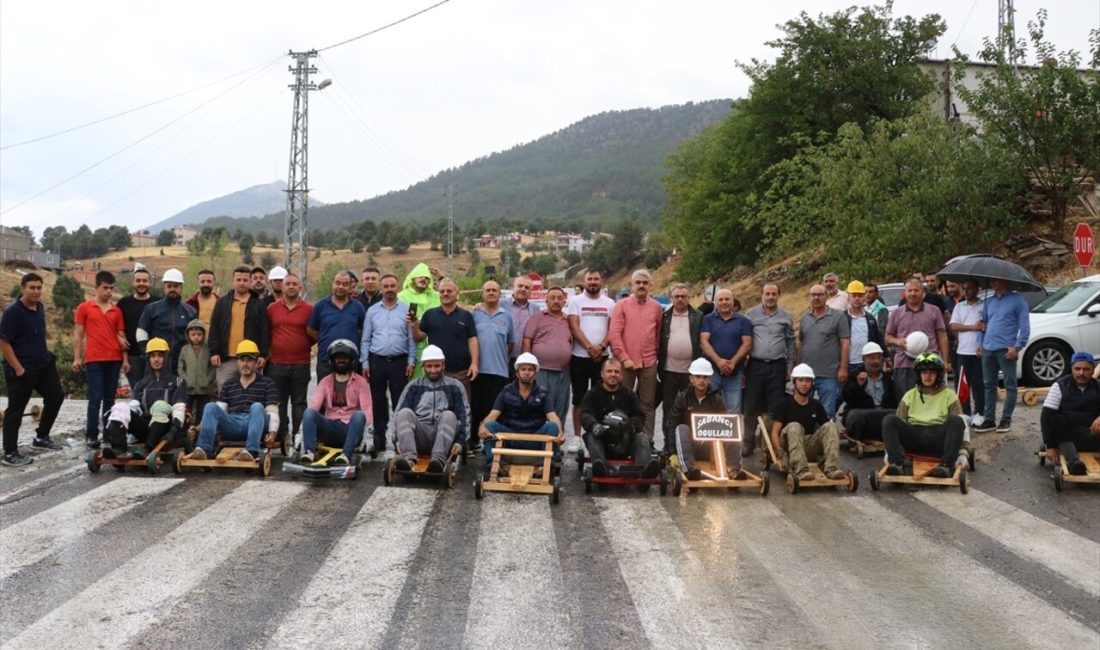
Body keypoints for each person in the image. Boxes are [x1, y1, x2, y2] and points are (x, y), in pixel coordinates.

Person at [1, 273, 65, 465]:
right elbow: (4, 342)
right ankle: (10, 453)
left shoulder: (40, 308)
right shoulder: (13, 312)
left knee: (55, 397)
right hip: (22, 369)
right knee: (16, 410)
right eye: (32, 288)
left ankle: (41, 437)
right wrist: (19, 369)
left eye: (39, 287)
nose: (36, 291)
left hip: (43, 365)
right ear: (23, 288)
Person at [185, 340, 279, 462]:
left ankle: (251, 450)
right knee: (210, 406)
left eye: (249, 360)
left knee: (257, 406)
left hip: (256, 423)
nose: (245, 364)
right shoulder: (229, 384)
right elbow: (218, 410)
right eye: (242, 360)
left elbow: (272, 412)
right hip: (233, 423)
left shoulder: (268, 383)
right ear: (237, 362)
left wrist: (272, 433)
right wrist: (197, 429)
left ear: (256, 362)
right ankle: (204, 449)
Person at [881, 353, 966, 478]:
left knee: (957, 420)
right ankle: (896, 465)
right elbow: (898, 421)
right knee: (889, 419)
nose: (927, 376)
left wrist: (963, 452)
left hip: (939, 440)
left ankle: (946, 466)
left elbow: (962, 426)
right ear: (919, 375)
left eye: (931, 372)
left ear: (938, 375)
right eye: (924, 372)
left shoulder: (949, 395)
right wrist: (889, 451)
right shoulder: (910, 395)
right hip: (914, 438)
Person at [360, 273, 417, 455]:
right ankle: (379, 436)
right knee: (378, 401)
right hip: (377, 361)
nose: (389, 290)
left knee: (400, 401)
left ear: (398, 287)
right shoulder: (372, 311)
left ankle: (400, 437)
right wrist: (365, 362)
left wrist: (411, 361)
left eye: (393, 286)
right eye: (386, 286)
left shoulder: (407, 310)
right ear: (381, 288)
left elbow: (411, 339)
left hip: (399, 362)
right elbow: (366, 339)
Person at [478, 352, 563, 472]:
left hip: (535, 439)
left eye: (530, 369)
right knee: (489, 426)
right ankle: (493, 465)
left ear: (535, 373)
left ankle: (548, 466)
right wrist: (482, 427)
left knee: (552, 426)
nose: (527, 372)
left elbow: (553, 416)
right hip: (510, 438)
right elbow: (493, 415)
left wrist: (560, 433)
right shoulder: (506, 391)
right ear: (517, 372)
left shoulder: (543, 393)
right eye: (523, 369)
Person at [72, 270, 129, 447]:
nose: (108, 292)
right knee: (95, 398)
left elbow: (122, 336)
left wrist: (125, 360)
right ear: (96, 287)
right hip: (94, 358)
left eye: (111, 288)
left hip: (114, 358)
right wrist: (76, 357)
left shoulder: (117, 311)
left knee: (110, 399)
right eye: (105, 288)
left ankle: (108, 432)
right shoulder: (85, 308)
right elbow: (78, 334)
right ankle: (91, 434)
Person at [392, 345, 469, 472]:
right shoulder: (413, 386)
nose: (433, 370)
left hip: (444, 439)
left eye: (437, 366)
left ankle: (438, 461)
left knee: (449, 415)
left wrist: (461, 442)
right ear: (423, 367)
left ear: (443, 366)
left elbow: (464, 415)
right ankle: (408, 458)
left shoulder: (455, 386)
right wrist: (396, 440)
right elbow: (397, 414)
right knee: (404, 413)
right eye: (429, 366)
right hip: (419, 436)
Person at [667, 358, 744, 480]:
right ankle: (689, 470)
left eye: (705, 377)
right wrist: (671, 453)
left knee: (732, 427)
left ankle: (733, 469)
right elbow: (672, 424)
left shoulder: (717, 399)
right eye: (698, 376)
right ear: (691, 379)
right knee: (681, 428)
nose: (701, 380)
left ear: (710, 379)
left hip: (711, 448)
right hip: (690, 448)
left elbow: (726, 427)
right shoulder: (683, 398)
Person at [608, 269, 663, 438]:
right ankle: (621, 438)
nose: (641, 286)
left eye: (645, 283)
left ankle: (647, 440)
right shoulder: (621, 306)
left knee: (648, 403)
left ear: (650, 286)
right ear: (631, 285)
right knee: (622, 401)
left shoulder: (656, 307)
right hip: (626, 363)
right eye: (638, 283)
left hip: (649, 363)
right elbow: (614, 334)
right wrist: (624, 358)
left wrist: (655, 357)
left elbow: (658, 334)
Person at [579, 357, 655, 477]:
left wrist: (630, 426)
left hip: (624, 440)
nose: (613, 375)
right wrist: (594, 425)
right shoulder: (592, 394)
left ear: (621, 376)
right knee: (591, 436)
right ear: (602, 374)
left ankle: (645, 470)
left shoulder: (629, 394)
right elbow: (584, 414)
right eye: (609, 371)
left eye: (616, 372)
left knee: (642, 437)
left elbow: (640, 415)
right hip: (602, 441)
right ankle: (600, 468)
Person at [300, 340, 371, 465]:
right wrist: (301, 432)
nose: (341, 361)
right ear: (332, 360)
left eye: (345, 358)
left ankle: (346, 455)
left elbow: (367, 408)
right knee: (309, 412)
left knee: (359, 415)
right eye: (338, 358)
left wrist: (370, 435)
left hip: (350, 429)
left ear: (352, 360)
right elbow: (314, 406)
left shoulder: (361, 382)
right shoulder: (325, 382)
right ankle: (309, 452)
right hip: (330, 428)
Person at [770, 363, 845, 482]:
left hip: (808, 445)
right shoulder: (784, 403)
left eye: (807, 381)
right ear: (794, 382)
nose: (804, 384)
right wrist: (780, 452)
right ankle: (801, 470)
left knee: (831, 425)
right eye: (801, 380)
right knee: (795, 426)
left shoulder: (816, 404)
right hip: (789, 444)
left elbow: (826, 430)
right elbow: (774, 433)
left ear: (812, 383)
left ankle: (831, 468)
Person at [744, 283, 795, 456]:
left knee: (774, 407)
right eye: (767, 293)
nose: (771, 297)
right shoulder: (750, 315)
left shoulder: (786, 317)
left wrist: (790, 367)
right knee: (751, 405)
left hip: (777, 366)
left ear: (778, 295)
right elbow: (745, 340)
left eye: (774, 294)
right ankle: (748, 442)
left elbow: (790, 343)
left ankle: (768, 444)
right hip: (755, 365)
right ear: (762, 295)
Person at [566, 269, 615, 450]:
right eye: (590, 279)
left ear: (601, 281)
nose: (593, 282)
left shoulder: (610, 303)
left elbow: (613, 328)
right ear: (584, 281)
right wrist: (589, 347)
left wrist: (601, 346)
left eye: (596, 279)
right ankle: (577, 438)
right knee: (578, 398)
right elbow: (573, 326)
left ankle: (599, 436)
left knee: (600, 399)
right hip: (579, 357)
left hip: (601, 358)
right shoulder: (575, 301)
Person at [976, 277, 1030, 433]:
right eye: (991, 281)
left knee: (1010, 385)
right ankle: (989, 419)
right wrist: (980, 342)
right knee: (989, 385)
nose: (993, 283)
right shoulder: (989, 301)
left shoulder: (1018, 300)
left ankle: (1006, 419)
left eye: (997, 280)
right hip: (988, 347)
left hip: (1006, 348)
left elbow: (1025, 326)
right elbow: (983, 325)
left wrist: (1017, 347)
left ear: (1005, 281)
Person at [119, 337, 188, 457]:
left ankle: (147, 450)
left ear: (166, 358)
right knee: (120, 408)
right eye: (152, 356)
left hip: (166, 430)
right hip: (146, 428)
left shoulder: (178, 382)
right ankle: (118, 449)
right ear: (148, 359)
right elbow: (135, 407)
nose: (156, 360)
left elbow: (179, 408)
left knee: (160, 405)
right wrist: (122, 417)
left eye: (160, 356)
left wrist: (174, 430)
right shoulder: (140, 384)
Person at [411, 278, 479, 397]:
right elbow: (418, 338)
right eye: (442, 292)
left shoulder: (466, 315)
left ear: (457, 293)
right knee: (437, 408)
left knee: (462, 408)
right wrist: (414, 326)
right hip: (436, 372)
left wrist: (474, 363)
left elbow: (472, 340)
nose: (445, 294)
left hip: (461, 373)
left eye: (449, 291)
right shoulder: (429, 314)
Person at [266, 272, 313, 445]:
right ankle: (281, 436)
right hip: (277, 364)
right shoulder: (272, 309)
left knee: (299, 403)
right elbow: (268, 332)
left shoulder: (309, 309)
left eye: (295, 284)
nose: (291, 286)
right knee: (279, 403)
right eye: (288, 284)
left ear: (300, 287)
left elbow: (314, 333)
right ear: (282, 287)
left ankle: (298, 437)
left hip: (301, 363)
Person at [209, 266, 271, 390]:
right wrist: (214, 352)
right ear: (233, 281)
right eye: (238, 280)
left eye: (245, 280)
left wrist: (262, 355)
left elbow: (264, 331)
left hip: (251, 359)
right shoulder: (222, 303)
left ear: (250, 282)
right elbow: (214, 327)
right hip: (227, 359)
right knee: (225, 395)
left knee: (253, 394)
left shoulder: (258, 304)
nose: (242, 283)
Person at [885, 277, 949, 399]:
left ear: (923, 293)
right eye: (909, 291)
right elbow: (887, 338)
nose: (913, 293)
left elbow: (942, 335)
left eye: (916, 290)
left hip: (930, 363)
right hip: (904, 364)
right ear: (905, 293)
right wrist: (897, 341)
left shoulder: (934, 311)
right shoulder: (897, 313)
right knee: (905, 400)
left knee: (931, 399)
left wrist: (945, 361)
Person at [658, 283, 702, 452]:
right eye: (676, 296)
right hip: (669, 370)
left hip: (690, 372)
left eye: (683, 296)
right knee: (669, 408)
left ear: (688, 298)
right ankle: (668, 445)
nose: (680, 299)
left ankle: (689, 445)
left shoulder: (698, 316)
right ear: (671, 298)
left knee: (690, 408)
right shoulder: (665, 316)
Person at [470, 280, 514, 452]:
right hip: (478, 370)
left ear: (499, 294)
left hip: (499, 371)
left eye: (494, 290)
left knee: (495, 408)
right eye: (487, 290)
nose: (491, 293)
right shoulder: (474, 314)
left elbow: (510, 344)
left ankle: (493, 442)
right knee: (476, 407)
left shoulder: (506, 316)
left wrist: (499, 356)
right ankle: (473, 441)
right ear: (483, 293)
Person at [1040, 351, 1100, 475]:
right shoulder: (1059, 386)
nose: (1081, 373)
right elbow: (1046, 416)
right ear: (1071, 369)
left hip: (1093, 436)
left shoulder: (1098, 387)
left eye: (1086, 369)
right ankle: (1074, 463)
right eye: (1077, 369)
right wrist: (1050, 446)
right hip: (1067, 438)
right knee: (1057, 420)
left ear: (1093, 370)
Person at [523, 286, 572, 433]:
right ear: (546, 300)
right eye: (552, 298)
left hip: (563, 373)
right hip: (541, 372)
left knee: (560, 409)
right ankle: (537, 444)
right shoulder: (537, 317)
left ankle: (555, 444)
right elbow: (527, 341)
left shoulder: (568, 321)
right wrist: (527, 366)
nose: (556, 301)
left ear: (564, 301)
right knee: (539, 408)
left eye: (559, 298)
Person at [797, 284, 850, 419]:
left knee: (827, 413)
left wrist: (843, 368)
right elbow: (801, 344)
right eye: (813, 294)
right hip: (806, 375)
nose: (816, 297)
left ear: (827, 297)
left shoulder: (838, 317)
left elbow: (845, 343)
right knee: (802, 412)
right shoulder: (804, 319)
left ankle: (826, 439)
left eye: (820, 294)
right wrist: (796, 369)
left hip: (828, 374)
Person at [700, 288, 753, 416]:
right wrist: (718, 361)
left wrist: (733, 362)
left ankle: (730, 436)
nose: (724, 302)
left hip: (734, 372)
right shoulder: (708, 319)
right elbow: (703, 341)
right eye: (721, 300)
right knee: (710, 407)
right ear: (716, 302)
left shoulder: (743, 321)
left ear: (733, 301)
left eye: (727, 299)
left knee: (733, 409)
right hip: (712, 371)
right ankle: (711, 435)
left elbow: (747, 343)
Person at [308, 270, 367, 381]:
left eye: (345, 284)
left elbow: (364, 329)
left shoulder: (358, 307)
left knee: (351, 396)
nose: (341, 287)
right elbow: (311, 329)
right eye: (338, 283)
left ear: (350, 287)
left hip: (351, 361)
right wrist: (324, 338)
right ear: (333, 284)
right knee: (325, 396)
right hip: (326, 361)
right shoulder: (320, 306)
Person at [136, 268, 197, 371]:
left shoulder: (190, 311)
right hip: (158, 363)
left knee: (181, 386)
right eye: (169, 286)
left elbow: (195, 337)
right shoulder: (151, 309)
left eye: (176, 286)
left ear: (181, 288)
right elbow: (141, 332)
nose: (172, 289)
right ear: (164, 287)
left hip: (182, 363)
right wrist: (148, 352)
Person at [841, 342, 898, 441]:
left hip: (881, 413)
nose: (876, 361)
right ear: (864, 359)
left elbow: (893, 402)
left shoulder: (887, 379)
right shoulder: (855, 375)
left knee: (897, 415)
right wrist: (858, 385)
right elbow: (847, 397)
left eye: (878, 358)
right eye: (872, 358)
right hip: (862, 413)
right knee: (857, 417)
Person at [949, 279, 986, 427]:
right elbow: (954, 326)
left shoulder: (984, 305)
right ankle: (965, 412)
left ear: (977, 289)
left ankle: (979, 412)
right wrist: (973, 327)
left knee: (978, 383)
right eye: (964, 289)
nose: (966, 292)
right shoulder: (959, 306)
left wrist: (981, 327)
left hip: (978, 351)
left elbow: (986, 325)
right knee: (962, 383)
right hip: (963, 350)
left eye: (969, 289)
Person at [397, 263, 441, 377]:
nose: (423, 279)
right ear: (412, 278)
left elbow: (453, 294)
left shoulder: (435, 295)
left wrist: (441, 277)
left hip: (433, 345)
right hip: (410, 346)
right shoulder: (401, 297)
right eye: (420, 276)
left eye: (427, 277)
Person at [118, 266, 155, 386]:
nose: (141, 283)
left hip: (154, 355)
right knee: (136, 392)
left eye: (144, 280)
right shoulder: (124, 303)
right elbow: (114, 326)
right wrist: (119, 338)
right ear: (133, 283)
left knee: (154, 390)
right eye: (138, 280)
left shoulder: (158, 303)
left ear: (150, 282)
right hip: (132, 356)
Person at [177, 319, 216, 426]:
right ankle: (186, 431)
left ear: (204, 335)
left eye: (199, 334)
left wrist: (208, 380)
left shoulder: (208, 349)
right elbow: (180, 367)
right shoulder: (184, 349)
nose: (196, 337)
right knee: (187, 411)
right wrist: (185, 379)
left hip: (205, 388)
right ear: (188, 335)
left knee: (202, 412)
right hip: (189, 388)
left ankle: (199, 433)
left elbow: (213, 367)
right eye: (193, 334)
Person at [499, 275, 539, 374]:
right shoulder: (500, 304)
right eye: (520, 286)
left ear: (531, 291)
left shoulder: (535, 309)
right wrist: (480, 305)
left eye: (527, 287)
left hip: (524, 359)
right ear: (513, 287)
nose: (523, 289)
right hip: (504, 357)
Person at [843, 280, 884, 374]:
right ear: (848, 298)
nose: (857, 298)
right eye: (854, 296)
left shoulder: (870, 318)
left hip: (867, 364)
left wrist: (886, 357)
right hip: (848, 364)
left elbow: (878, 339)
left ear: (864, 298)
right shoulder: (842, 318)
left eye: (860, 296)